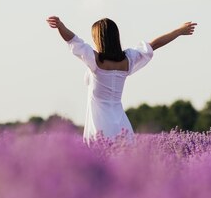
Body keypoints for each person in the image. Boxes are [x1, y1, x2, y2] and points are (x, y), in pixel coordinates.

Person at [46, 16, 197, 143]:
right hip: (122, 125)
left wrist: (60, 26)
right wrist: (179, 31)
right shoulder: (128, 59)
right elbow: (155, 44)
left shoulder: (95, 61)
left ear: (98, 38)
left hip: (99, 127)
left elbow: (74, 41)